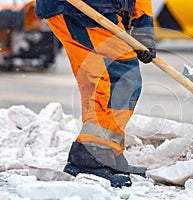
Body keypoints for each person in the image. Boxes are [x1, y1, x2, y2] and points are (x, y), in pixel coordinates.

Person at [34, 0, 156, 188]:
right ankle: (92, 154)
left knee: (102, 80)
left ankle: (105, 151)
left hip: (101, 9)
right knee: (118, 76)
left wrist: (143, 27)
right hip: (80, 7)